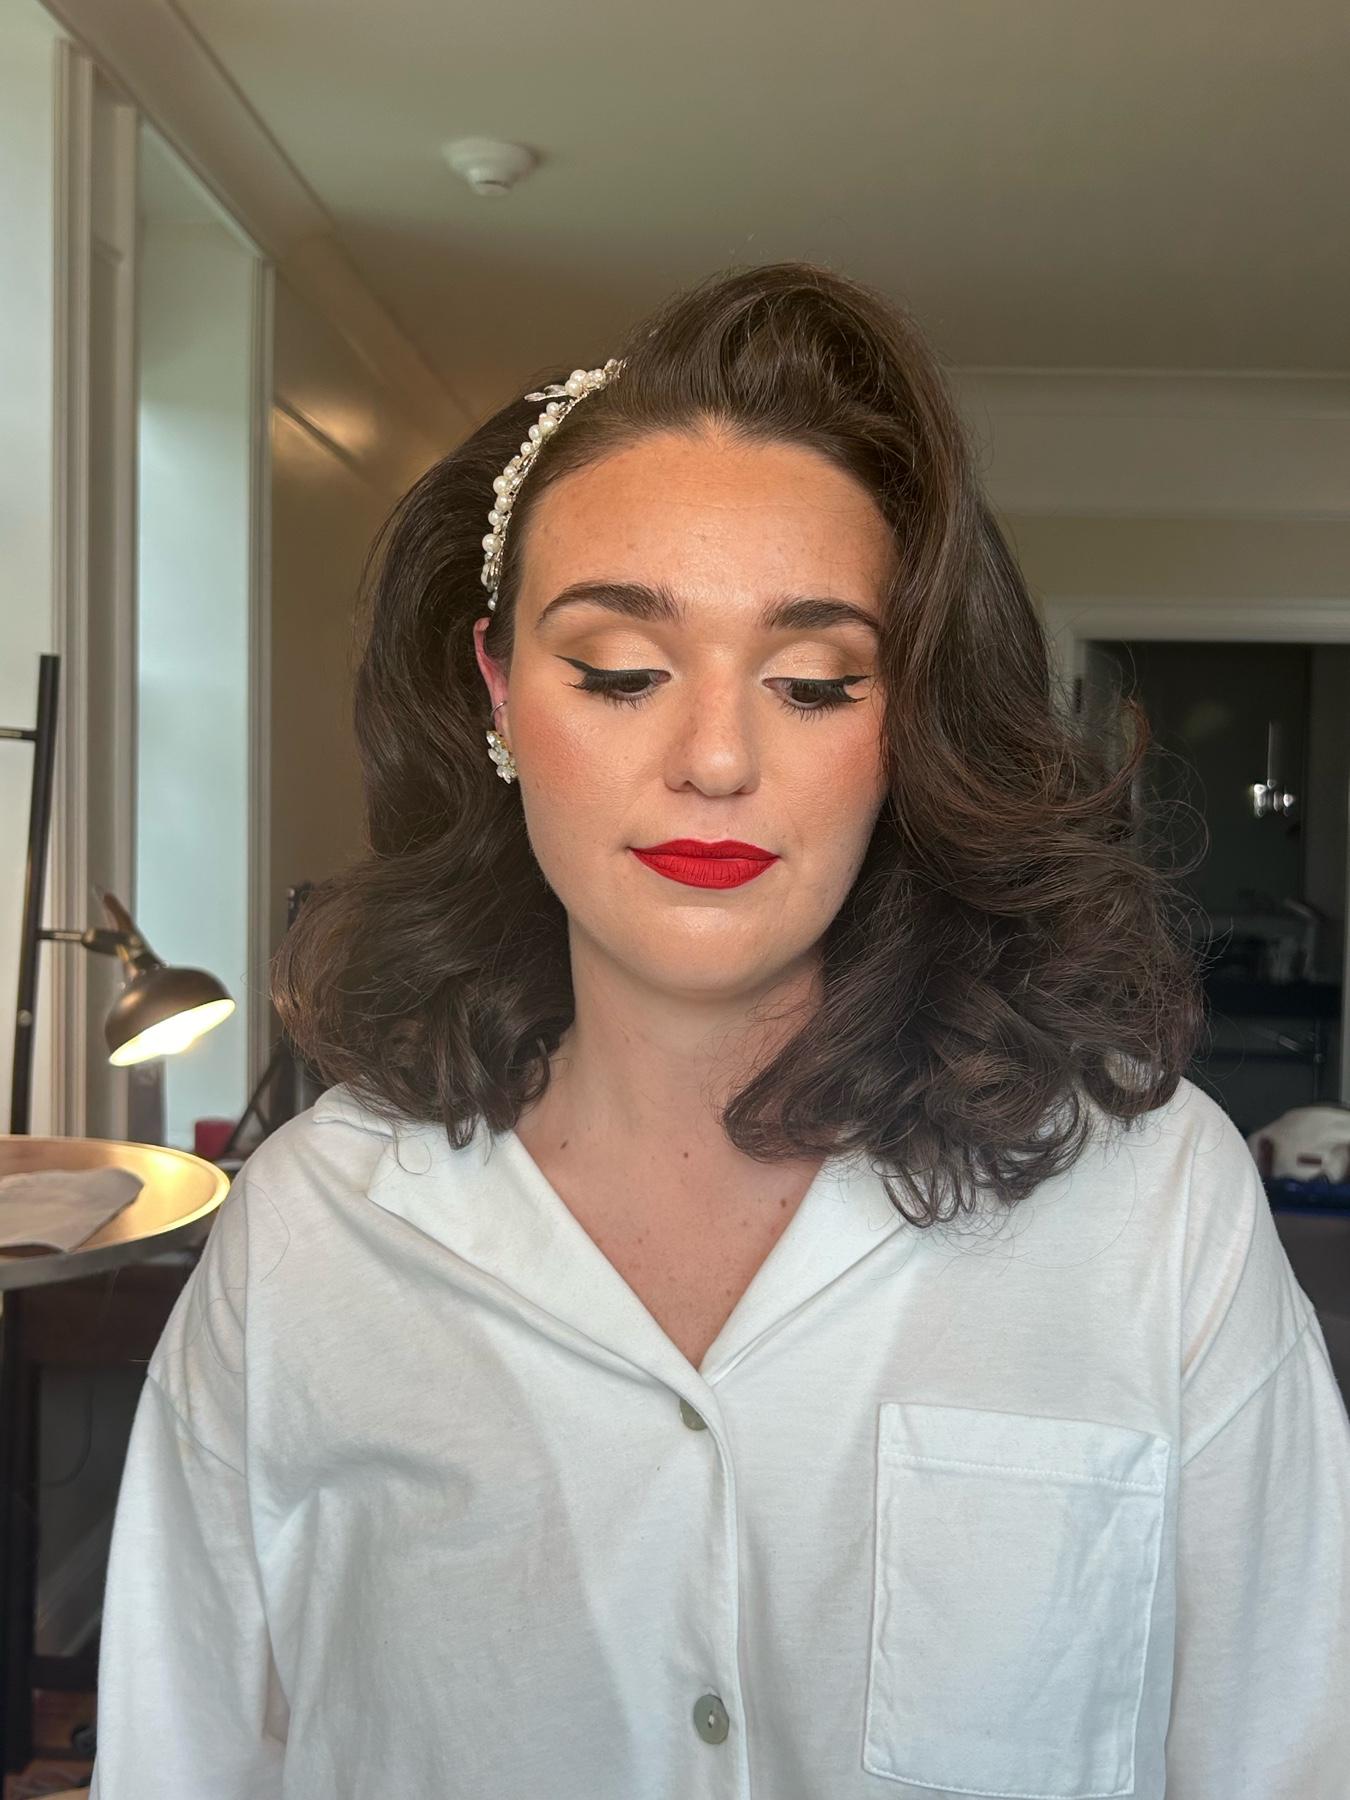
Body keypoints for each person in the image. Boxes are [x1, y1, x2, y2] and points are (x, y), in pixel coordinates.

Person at [89, 263, 1350, 1799]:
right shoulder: (315, 1233)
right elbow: (184, 1757)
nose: (713, 757)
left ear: (906, 726)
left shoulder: (1150, 1208)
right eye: (619, 671)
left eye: (812, 683)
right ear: (498, 694)